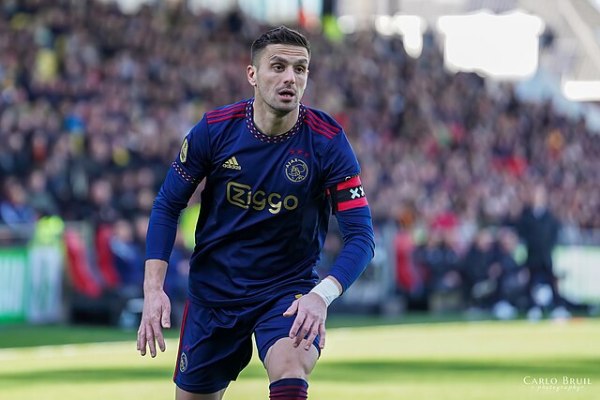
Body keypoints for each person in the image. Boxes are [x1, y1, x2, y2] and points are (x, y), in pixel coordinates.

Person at [136, 26, 375, 400]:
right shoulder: (215, 130)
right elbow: (167, 205)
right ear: (252, 74)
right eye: (278, 67)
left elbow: (361, 235)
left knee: (291, 365)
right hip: (215, 291)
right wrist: (153, 290)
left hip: (287, 291)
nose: (290, 78)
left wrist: (321, 295)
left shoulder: (327, 141)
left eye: (300, 69)